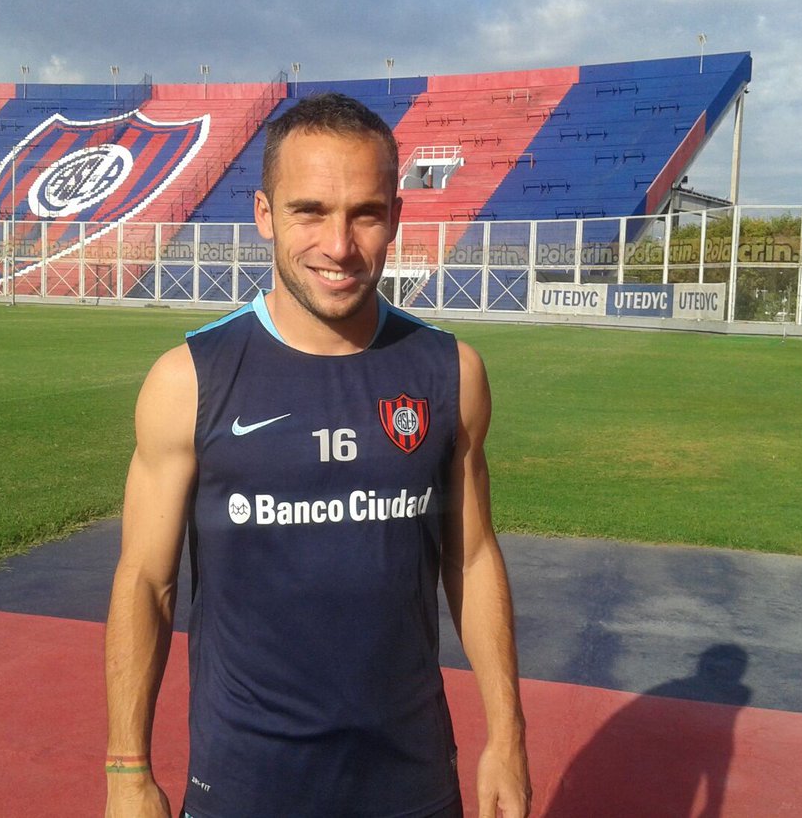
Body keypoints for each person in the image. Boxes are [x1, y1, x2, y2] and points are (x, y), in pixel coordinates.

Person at [104, 93, 530, 818]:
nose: (339, 245)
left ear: (394, 216)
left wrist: (509, 736)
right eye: (310, 211)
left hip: (411, 777)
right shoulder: (188, 381)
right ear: (265, 214)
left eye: (364, 213)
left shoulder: (450, 372)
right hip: (246, 781)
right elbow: (146, 580)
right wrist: (126, 769)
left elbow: (474, 557)